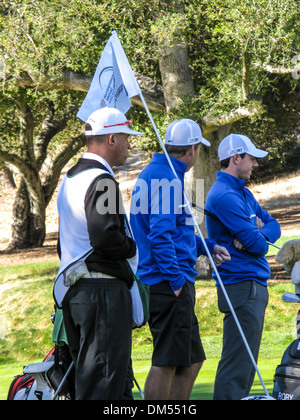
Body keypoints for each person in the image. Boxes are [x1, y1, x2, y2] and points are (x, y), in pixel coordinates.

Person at [130, 119, 231, 400]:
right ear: (192, 149)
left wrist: (208, 247)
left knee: (192, 359)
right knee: (166, 362)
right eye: (199, 150)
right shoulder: (166, 179)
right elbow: (160, 237)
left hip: (165, 280)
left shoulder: (158, 173)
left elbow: (178, 232)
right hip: (167, 282)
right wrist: (176, 282)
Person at [56, 107, 143, 400]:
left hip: (79, 292)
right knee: (104, 384)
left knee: (103, 382)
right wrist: (132, 246)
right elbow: (105, 235)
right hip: (102, 292)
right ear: (112, 139)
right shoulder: (101, 179)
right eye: (127, 137)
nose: (129, 144)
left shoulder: (69, 178)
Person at [205, 134, 281, 400]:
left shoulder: (243, 193)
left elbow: (274, 226)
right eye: (251, 159)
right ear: (236, 158)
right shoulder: (225, 195)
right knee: (238, 365)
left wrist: (259, 234)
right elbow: (259, 247)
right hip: (240, 284)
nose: (256, 165)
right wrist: (256, 237)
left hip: (250, 285)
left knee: (245, 366)